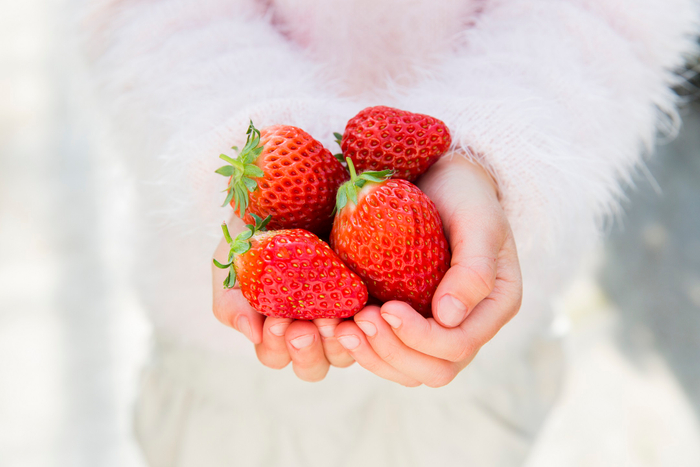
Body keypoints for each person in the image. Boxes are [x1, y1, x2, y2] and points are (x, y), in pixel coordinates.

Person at [80, 0, 699, 465]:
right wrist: (263, 148)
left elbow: (612, 15)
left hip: (481, 351)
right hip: (224, 368)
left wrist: (486, 152)